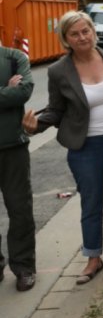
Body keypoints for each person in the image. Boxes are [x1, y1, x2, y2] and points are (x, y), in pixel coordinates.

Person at [22, 11, 103, 284]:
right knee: (91, 203)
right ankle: (93, 258)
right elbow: (56, 110)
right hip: (85, 147)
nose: (82, 37)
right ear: (66, 39)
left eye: (86, 31)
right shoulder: (59, 71)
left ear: (93, 31)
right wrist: (36, 126)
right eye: (75, 34)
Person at [0, 42, 36, 292]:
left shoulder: (14, 57)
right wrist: (5, 91)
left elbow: (23, 91)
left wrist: (14, 90)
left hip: (12, 146)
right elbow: (13, 93)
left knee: (19, 209)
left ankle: (23, 267)